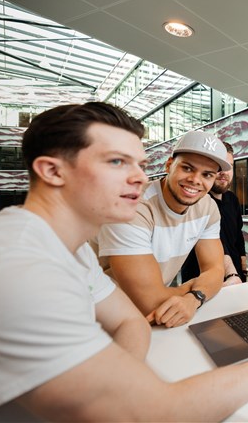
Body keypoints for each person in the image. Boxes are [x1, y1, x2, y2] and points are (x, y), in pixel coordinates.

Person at [0, 102, 248, 421]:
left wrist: (123, 382)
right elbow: (156, 413)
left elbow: (134, 323)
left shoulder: (70, 248)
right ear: (52, 171)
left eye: (140, 165)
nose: (141, 178)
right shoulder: (20, 266)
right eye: (116, 162)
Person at [94, 130, 229, 328]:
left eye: (207, 174)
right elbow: (150, 301)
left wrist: (195, 297)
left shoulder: (207, 207)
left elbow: (215, 269)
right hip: (93, 319)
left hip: (146, 322)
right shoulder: (130, 206)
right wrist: (202, 287)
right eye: (187, 168)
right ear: (168, 165)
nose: (195, 180)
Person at [181, 141, 248, 285]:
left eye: (228, 166)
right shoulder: (196, 200)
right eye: (219, 167)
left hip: (234, 277)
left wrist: (242, 267)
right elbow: (218, 242)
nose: (224, 172)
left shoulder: (232, 200)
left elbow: (238, 236)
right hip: (199, 278)